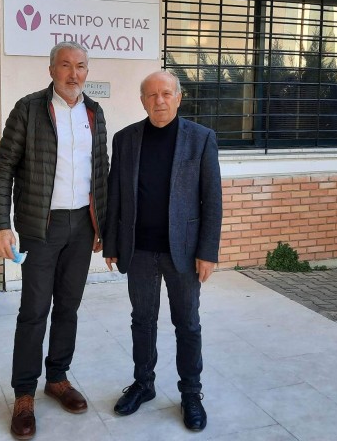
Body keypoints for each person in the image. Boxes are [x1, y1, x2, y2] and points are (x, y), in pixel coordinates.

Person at [0, 41, 108, 440]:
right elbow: (3, 167)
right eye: (66, 65)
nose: (74, 74)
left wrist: (102, 224)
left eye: (81, 66)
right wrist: (1, 225)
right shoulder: (28, 109)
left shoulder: (94, 112)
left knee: (69, 306)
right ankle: (24, 394)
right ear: (52, 69)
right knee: (34, 310)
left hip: (82, 225)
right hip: (41, 226)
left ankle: (57, 378)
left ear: (87, 71)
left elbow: (101, 170)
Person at [103, 70, 222, 432]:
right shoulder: (125, 139)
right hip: (138, 250)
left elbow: (212, 199)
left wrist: (207, 251)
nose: (159, 101)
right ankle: (143, 384)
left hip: (182, 252)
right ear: (142, 101)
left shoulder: (201, 139)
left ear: (178, 98)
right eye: (152, 95)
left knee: (187, 323)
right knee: (142, 320)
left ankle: (191, 393)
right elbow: (115, 193)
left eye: (166, 93)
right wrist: (111, 243)